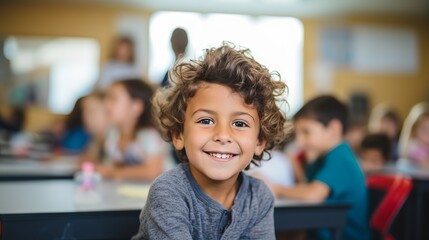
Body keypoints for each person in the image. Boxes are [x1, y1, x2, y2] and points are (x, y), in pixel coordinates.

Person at [132, 43, 289, 239]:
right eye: (206, 120)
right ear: (178, 135)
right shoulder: (168, 191)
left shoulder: (258, 197)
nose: (223, 135)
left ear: (259, 142)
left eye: (240, 123)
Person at [266, 95, 369, 240]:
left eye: (306, 132)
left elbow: (313, 194)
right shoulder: (322, 158)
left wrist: (275, 188)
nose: (300, 142)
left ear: (334, 129)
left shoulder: (341, 157)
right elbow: (306, 187)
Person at [99, 79, 168, 180]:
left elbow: (153, 171)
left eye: (113, 99)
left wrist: (112, 172)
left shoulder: (149, 136)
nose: (106, 104)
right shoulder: (113, 134)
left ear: (136, 107)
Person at [399, 102, 429, 167]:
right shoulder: (413, 147)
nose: (428, 134)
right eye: (424, 129)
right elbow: (426, 162)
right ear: (414, 129)